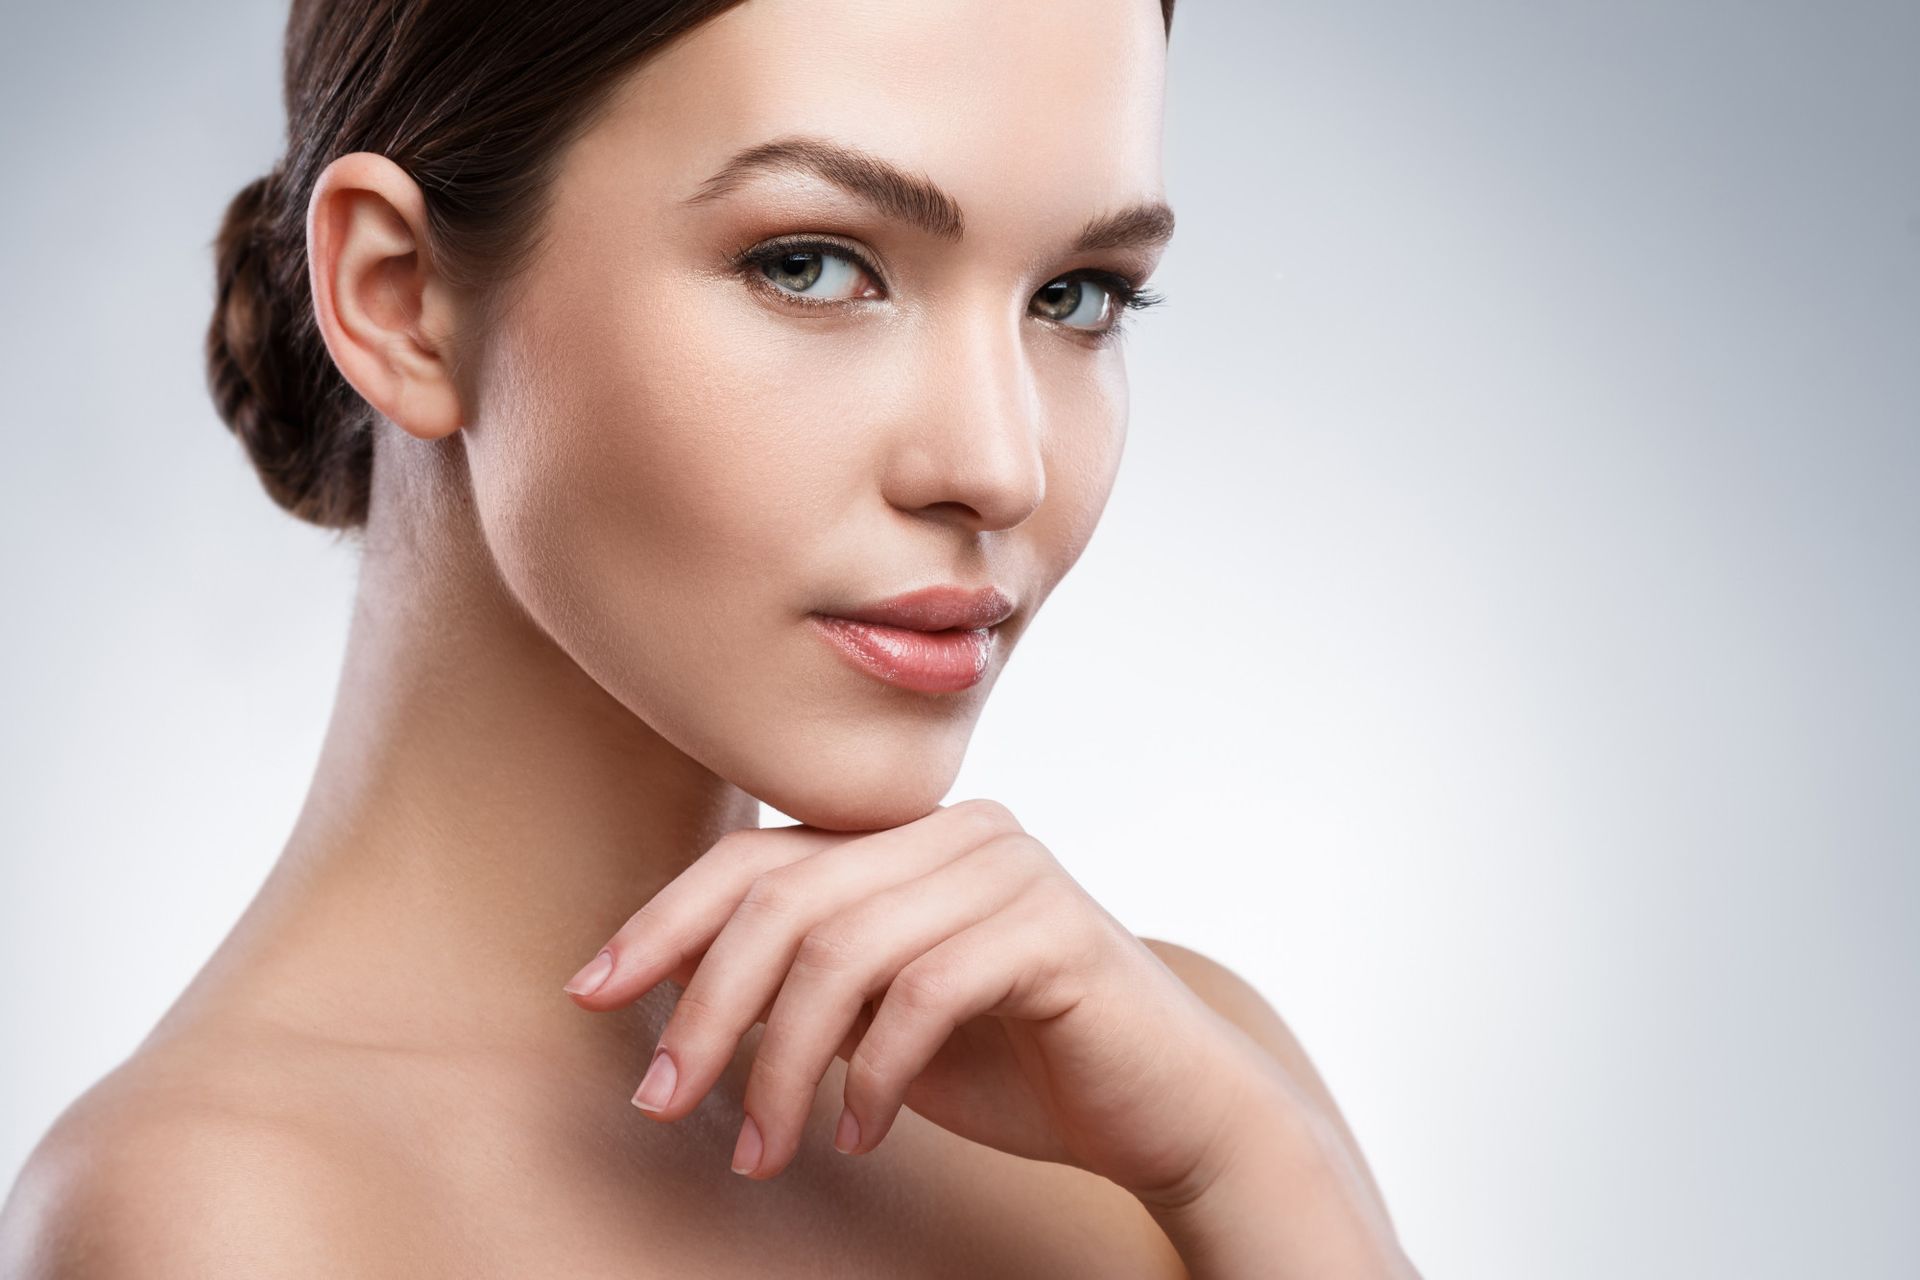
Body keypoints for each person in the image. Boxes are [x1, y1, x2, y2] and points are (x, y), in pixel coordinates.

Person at [1, 0, 1417, 1274]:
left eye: (1078, 296)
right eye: (812, 264)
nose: (999, 463)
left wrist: (1258, 1176)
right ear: (400, 299)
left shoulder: (1173, 1090)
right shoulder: (225, 1217)